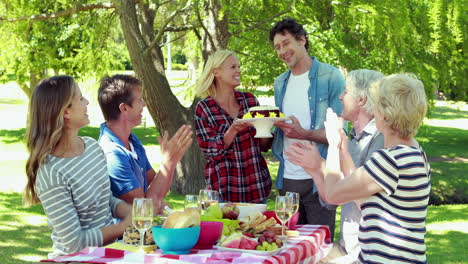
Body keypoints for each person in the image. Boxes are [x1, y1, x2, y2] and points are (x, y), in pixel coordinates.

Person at [287, 73, 430, 263]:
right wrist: (344, 150)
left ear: (384, 114)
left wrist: (333, 144)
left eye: (376, 105)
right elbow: (364, 195)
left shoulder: (389, 160)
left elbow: (332, 195)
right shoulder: (414, 153)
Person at [24, 76, 131, 258]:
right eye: (81, 98)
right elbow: (74, 243)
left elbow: (106, 200)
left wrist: (134, 213)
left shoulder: (92, 147)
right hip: (78, 259)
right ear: (66, 112)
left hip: (111, 252)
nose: (87, 102)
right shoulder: (52, 173)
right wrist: (122, 226)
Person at [287, 69, 385, 263]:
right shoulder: (354, 140)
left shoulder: (380, 141)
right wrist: (314, 170)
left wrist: (323, 162)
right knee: (293, 254)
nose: (340, 96)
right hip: (348, 247)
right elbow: (331, 199)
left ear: (361, 100)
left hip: (368, 254)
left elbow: (366, 203)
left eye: (346, 91)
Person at [269, 18, 345, 235]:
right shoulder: (280, 83)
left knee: (320, 250)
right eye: (277, 47)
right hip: (288, 181)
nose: (282, 51)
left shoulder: (331, 76)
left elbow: (340, 134)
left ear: (302, 40)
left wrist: (305, 133)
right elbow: (283, 131)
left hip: (319, 181)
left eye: (286, 43)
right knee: (289, 249)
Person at [97, 74, 192, 208]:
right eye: (140, 100)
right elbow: (143, 207)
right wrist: (168, 160)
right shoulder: (112, 154)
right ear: (124, 108)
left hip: (141, 227)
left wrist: (173, 159)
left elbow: (158, 191)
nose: (144, 104)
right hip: (126, 229)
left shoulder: (132, 141)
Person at [194, 50, 272, 203]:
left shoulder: (250, 101)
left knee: (258, 228)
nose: (238, 70)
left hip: (256, 187)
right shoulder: (204, 108)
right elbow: (210, 152)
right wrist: (233, 130)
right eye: (233, 67)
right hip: (224, 190)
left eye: (239, 66)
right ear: (216, 72)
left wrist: (266, 126)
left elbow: (263, 146)